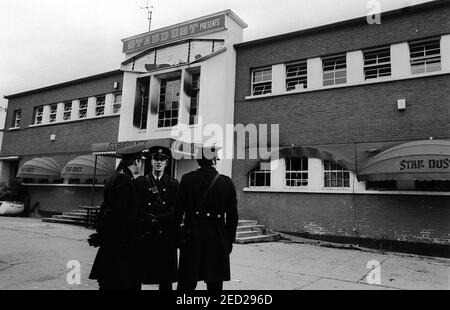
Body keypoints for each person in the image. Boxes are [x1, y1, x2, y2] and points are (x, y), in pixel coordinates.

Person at [175, 146, 238, 291]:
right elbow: (233, 217)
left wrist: (179, 239)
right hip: (218, 237)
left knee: (186, 283)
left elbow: (177, 213)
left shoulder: (187, 179)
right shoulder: (226, 182)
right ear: (214, 160)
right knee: (215, 284)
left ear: (198, 161)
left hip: (192, 236)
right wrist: (228, 242)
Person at [88, 144, 145, 290]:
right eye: (141, 160)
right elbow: (116, 213)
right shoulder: (124, 180)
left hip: (114, 245)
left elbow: (106, 209)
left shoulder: (115, 176)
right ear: (137, 161)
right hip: (120, 247)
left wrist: (102, 234)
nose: (141, 163)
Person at [135, 146, 179, 290]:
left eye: (162, 160)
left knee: (165, 280)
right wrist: (147, 217)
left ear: (167, 163)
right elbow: (136, 206)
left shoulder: (173, 184)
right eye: (156, 159)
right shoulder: (141, 182)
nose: (159, 162)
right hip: (146, 234)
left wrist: (158, 219)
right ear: (151, 161)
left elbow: (176, 210)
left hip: (165, 237)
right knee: (139, 276)